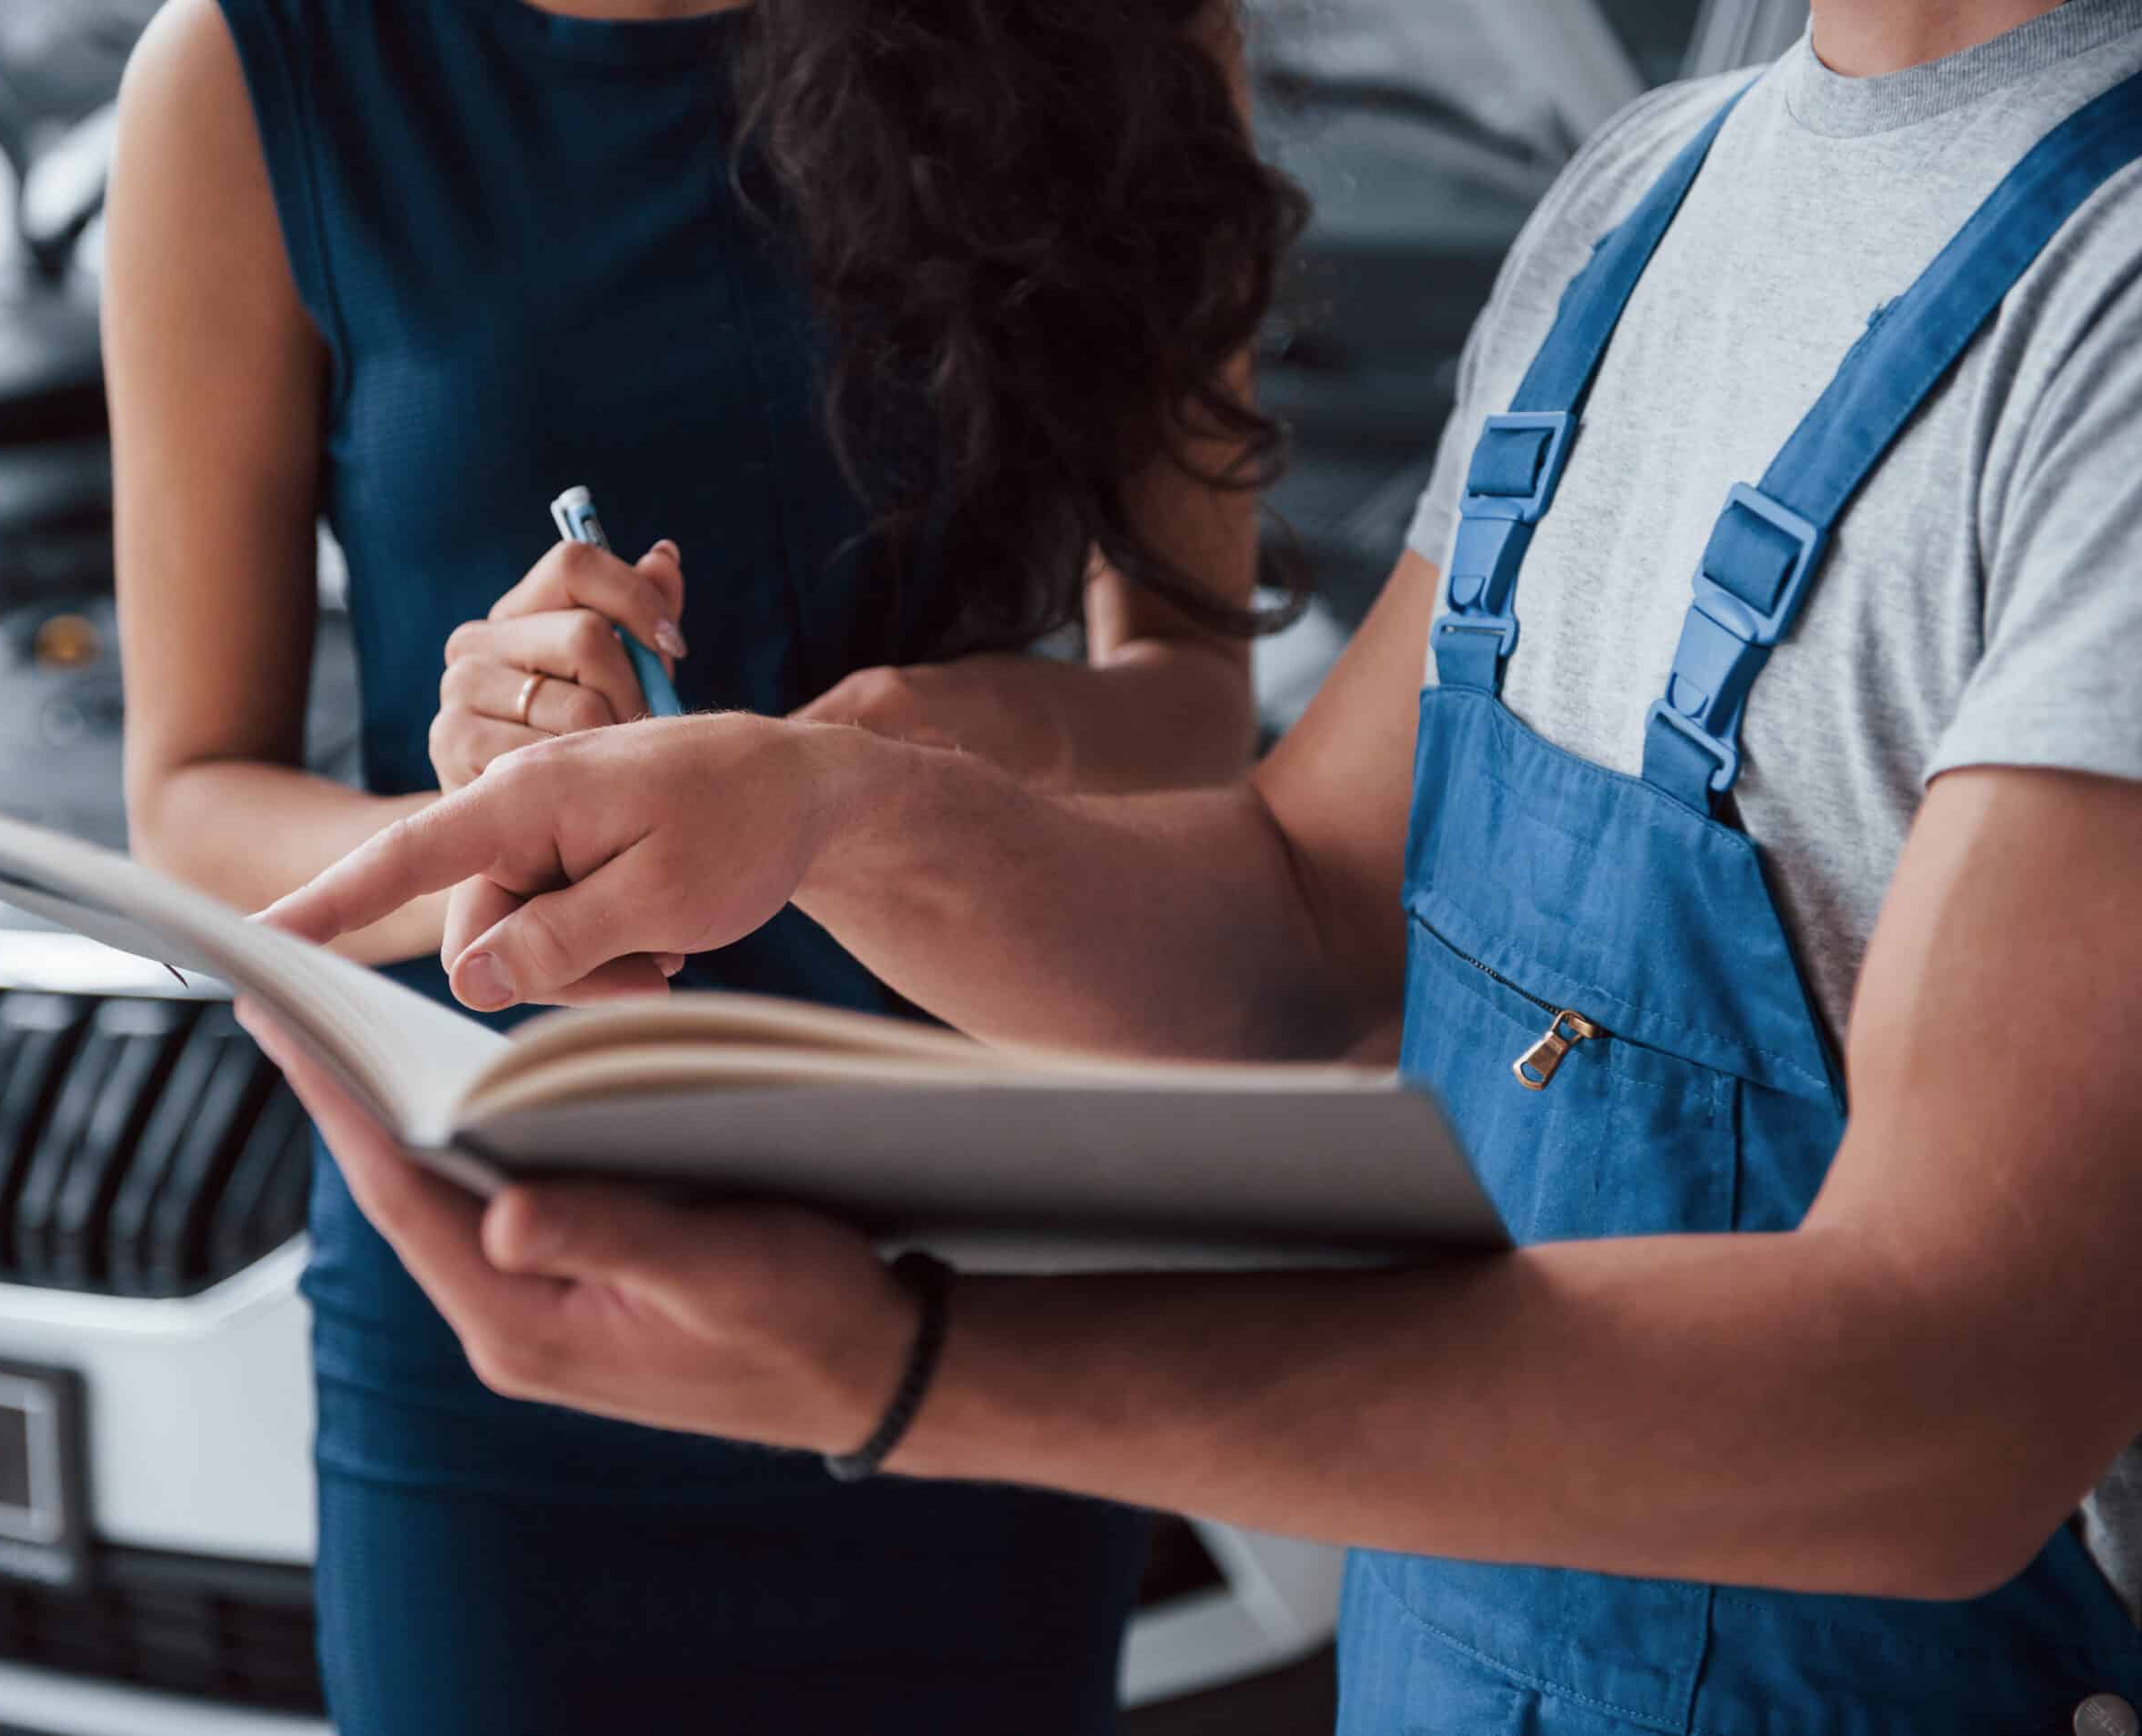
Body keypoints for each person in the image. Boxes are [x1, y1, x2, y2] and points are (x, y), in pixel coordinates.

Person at [251, 0, 2142, 1727]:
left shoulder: (2107, 303)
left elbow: (1948, 1395)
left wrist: (917, 1368)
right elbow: (1299, 914)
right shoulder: (1640, 209)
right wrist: (816, 813)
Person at [101, 0, 1305, 1728]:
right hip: (520, 1297)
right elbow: (193, 806)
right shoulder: (251, 71)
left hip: (988, 1275)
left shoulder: (1125, 23)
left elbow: (1189, 713)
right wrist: (501, 857)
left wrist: (895, 752)